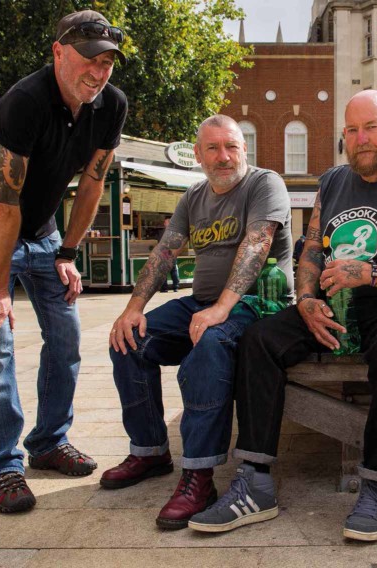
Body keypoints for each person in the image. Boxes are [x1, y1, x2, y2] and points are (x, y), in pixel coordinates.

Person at [189, 90, 377, 541]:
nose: (361, 138)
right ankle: (254, 481)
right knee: (258, 340)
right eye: (351, 130)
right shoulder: (332, 182)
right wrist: (307, 299)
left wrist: (370, 272)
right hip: (336, 302)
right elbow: (312, 247)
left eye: (371, 127)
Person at [0, 10, 128, 513]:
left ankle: (48, 442)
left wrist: (68, 253)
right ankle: (2, 466)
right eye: (90, 60)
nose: (98, 73)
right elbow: (3, 202)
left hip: (45, 231)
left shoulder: (110, 105)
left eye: (108, 62)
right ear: (58, 52)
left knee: (67, 335)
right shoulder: (24, 102)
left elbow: (92, 183)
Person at [103, 115, 292, 530]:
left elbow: (257, 245)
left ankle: (199, 476)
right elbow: (164, 253)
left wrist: (223, 307)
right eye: (213, 148)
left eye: (232, 147)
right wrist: (133, 308)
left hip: (258, 303)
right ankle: (150, 450)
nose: (224, 157)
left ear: (244, 149)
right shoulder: (193, 197)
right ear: (199, 155)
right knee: (129, 339)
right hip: (203, 302)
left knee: (208, 344)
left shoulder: (265, 183)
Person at [159, 216, 180, 292]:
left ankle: (164, 288)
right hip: (172, 253)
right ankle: (176, 287)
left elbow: (159, 243)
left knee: (165, 271)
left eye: (165, 222)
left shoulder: (162, 232)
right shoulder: (175, 232)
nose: (165, 224)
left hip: (165, 253)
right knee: (173, 270)